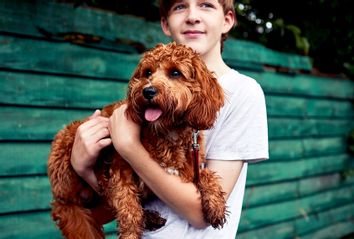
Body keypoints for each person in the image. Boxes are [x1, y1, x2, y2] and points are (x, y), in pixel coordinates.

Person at [70, 0, 269, 238]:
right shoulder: (148, 100)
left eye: (206, 5)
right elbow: (128, 199)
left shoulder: (242, 92)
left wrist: (130, 148)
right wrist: (83, 167)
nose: (192, 16)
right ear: (165, 23)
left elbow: (201, 214)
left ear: (227, 20)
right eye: (180, 6)